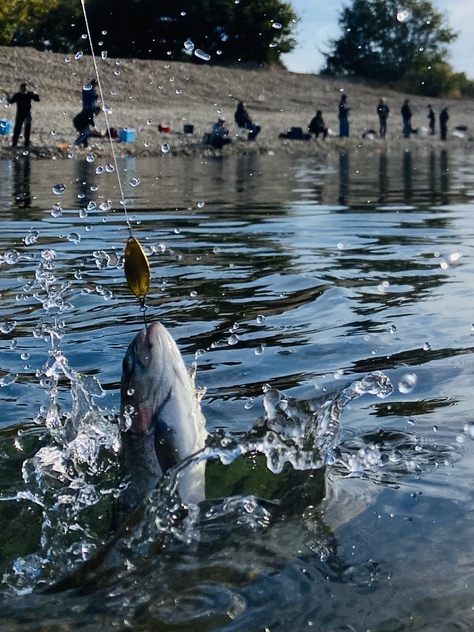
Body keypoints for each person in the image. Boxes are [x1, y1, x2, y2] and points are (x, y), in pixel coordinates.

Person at [6, 82, 40, 148]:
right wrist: (8, 97)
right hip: (20, 114)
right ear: (20, 88)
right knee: (17, 129)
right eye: (22, 88)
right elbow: (11, 101)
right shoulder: (17, 95)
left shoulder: (29, 94)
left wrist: (35, 93)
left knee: (27, 130)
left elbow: (37, 99)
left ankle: (26, 144)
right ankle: (14, 144)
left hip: (27, 114)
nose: (24, 89)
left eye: (24, 88)